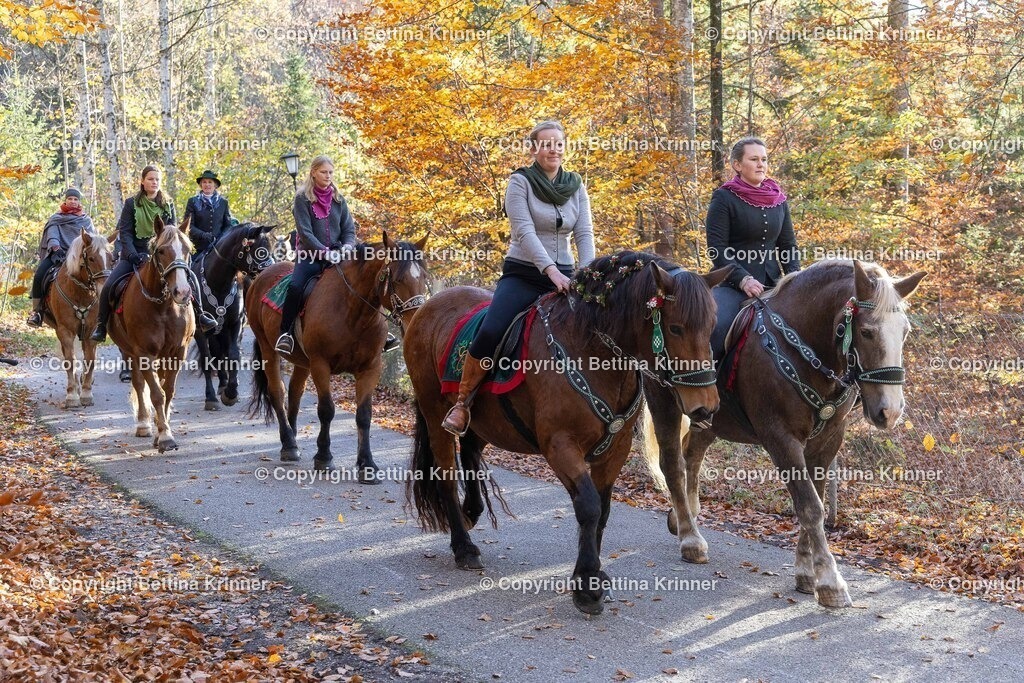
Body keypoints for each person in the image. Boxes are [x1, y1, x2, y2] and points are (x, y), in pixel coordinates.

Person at [441, 120, 595, 436]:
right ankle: (463, 402)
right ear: (534, 149)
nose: (553, 148)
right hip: (524, 275)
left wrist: (586, 274)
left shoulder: (576, 185)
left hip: (567, 278)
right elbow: (523, 231)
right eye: (546, 143)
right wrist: (549, 271)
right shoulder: (520, 182)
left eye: (559, 143)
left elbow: (584, 232)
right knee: (491, 330)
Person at [91, 166, 216, 342]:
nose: (154, 182)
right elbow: (125, 232)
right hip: (135, 253)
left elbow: (172, 230)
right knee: (110, 284)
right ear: (142, 181)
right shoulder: (131, 203)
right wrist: (134, 255)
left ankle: (201, 315)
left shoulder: (168, 203)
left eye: (157, 179)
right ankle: (101, 325)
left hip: (164, 253)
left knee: (191, 278)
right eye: (150, 179)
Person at [705, 136, 801, 355]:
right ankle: (713, 386)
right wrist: (743, 279)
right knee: (716, 327)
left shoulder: (778, 199)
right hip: (733, 286)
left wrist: (795, 278)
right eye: (754, 159)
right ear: (737, 165)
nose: (761, 164)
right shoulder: (723, 198)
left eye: (764, 159)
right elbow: (716, 249)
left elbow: (788, 245)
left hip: (775, 285)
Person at [27, 188, 98, 327]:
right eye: (70, 199)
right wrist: (55, 247)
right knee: (40, 275)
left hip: (80, 257)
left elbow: (92, 239)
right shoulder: (56, 218)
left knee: (101, 275)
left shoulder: (87, 220)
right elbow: (52, 235)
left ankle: (103, 314)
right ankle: (37, 311)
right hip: (58, 255)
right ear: (65, 200)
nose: (73, 201)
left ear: (79, 202)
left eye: (76, 199)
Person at [184, 170, 232, 252]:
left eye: (210, 182)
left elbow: (228, 225)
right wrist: (202, 234)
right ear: (201, 185)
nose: (207, 185)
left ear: (215, 185)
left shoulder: (223, 202)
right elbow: (188, 225)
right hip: (197, 247)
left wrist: (220, 238)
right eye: (204, 182)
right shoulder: (192, 201)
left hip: (218, 247)